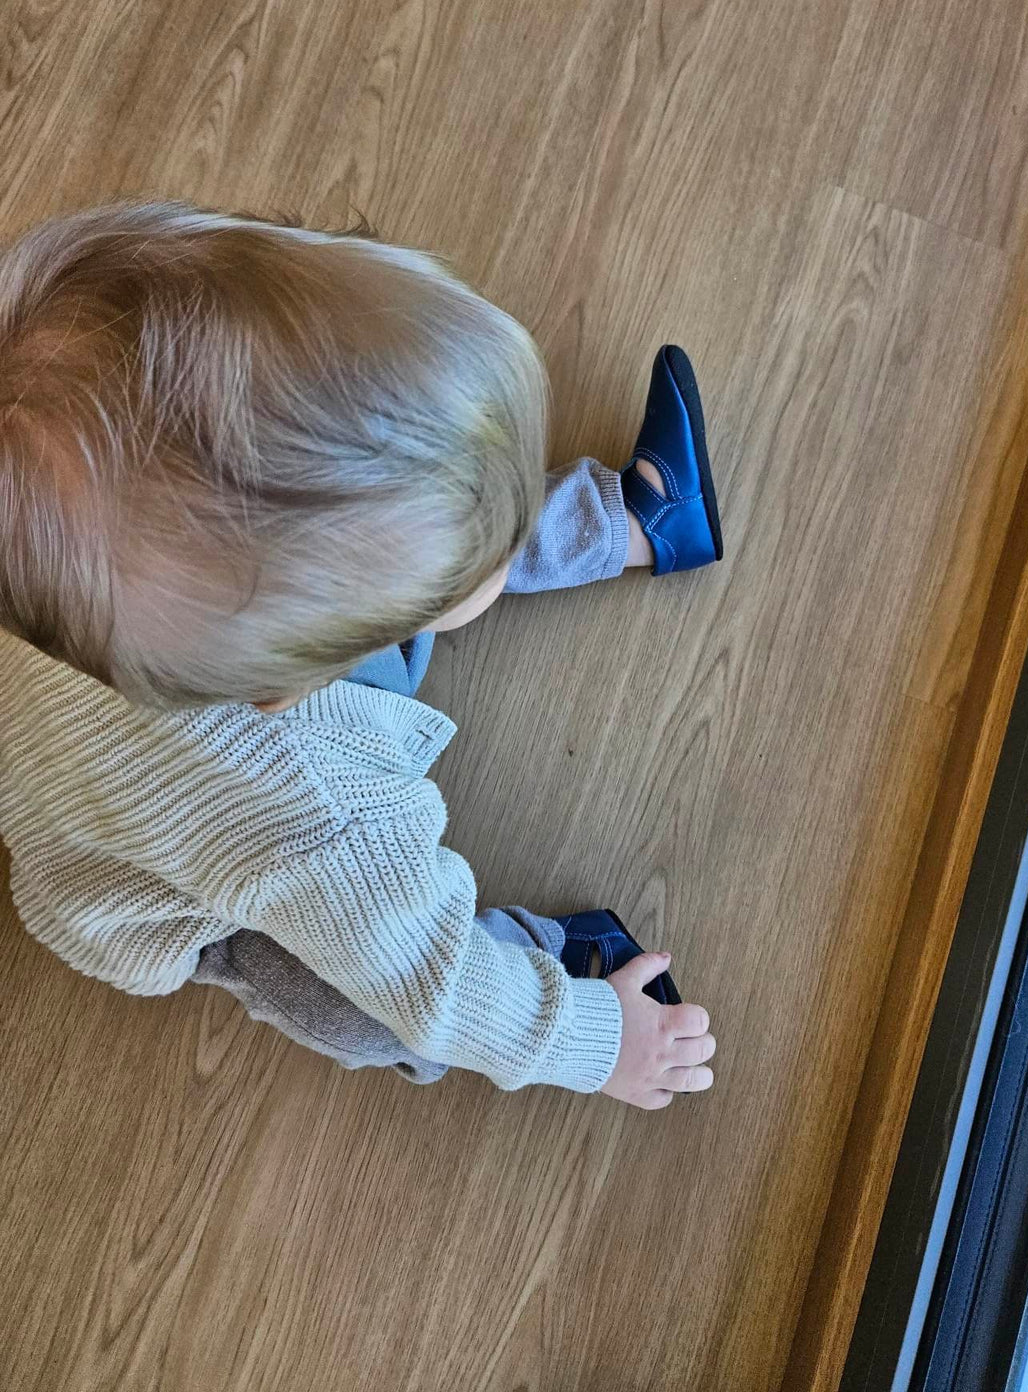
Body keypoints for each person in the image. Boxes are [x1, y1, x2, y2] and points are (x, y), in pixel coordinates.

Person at [0, 201, 723, 1110]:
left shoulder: (46, 506)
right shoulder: (321, 816)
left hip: (118, 712)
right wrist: (598, 1042)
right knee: (364, 1005)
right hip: (171, 891)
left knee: (415, 498)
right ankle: (551, 961)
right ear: (292, 690)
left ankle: (632, 526)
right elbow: (435, 984)